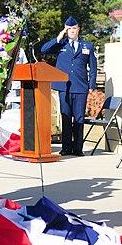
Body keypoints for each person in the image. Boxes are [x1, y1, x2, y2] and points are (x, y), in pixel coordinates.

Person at [40, 16, 97, 156]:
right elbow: (44, 50)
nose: (71, 31)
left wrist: (91, 85)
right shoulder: (61, 44)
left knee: (78, 118)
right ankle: (66, 148)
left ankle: (77, 148)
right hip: (63, 87)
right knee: (65, 116)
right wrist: (59, 36)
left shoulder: (87, 46)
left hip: (80, 87)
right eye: (69, 28)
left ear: (78, 29)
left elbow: (93, 67)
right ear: (66, 30)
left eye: (74, 28)